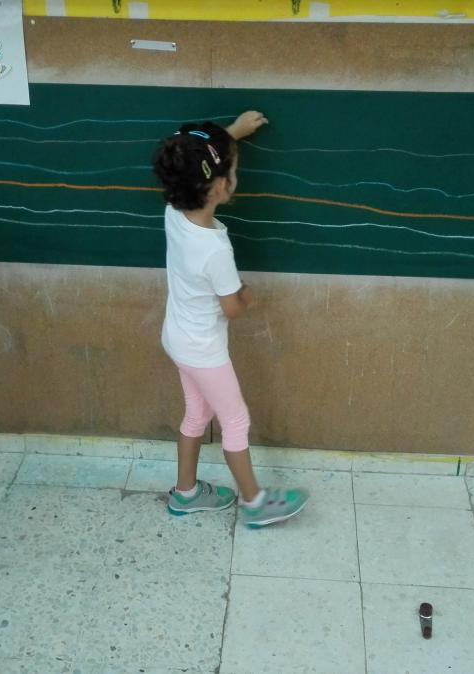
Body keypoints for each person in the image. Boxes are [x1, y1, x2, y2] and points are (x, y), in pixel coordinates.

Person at [151, 111, 309, 529]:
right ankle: (256, 503)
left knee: (196, 414)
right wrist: (246, 295)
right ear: (221, 186)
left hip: (177, 338)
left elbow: (187, 153)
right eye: (233, 170)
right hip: (204, 351)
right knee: (235, 420)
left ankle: (186, 494)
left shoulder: (174, 209)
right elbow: (232, 309)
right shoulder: (215, 250)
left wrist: (232, 134)